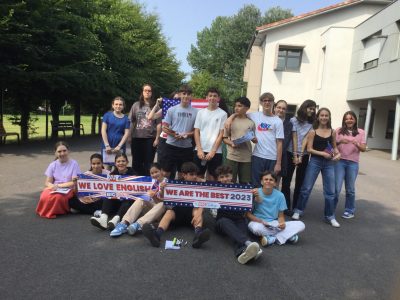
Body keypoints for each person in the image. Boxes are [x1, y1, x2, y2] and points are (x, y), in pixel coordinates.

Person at [292, 108, 341, 227]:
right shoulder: (313, 131)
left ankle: (330, 216)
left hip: (329, 163)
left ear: (329, 117)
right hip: (315, 161)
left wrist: (338, 154)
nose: (324, 117)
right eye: (322, 115)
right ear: (318, 117)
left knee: (330, 191)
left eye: (326, 115)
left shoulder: (333, 131)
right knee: (306, 188)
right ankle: (298, 210)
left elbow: (334, 147)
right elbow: (309, 149)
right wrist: (322, 153)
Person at [142, 162, 210, 248]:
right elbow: (164, 199)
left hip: (191, 215)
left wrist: (200, 213)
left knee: (197, 210)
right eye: (191, 174)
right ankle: (157, 235)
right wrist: (163, 189)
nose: (195, 176)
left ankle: (198, 235)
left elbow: (203, 201)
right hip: (177, 213)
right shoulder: (175, 183)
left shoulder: (199, 185)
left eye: (196, 174)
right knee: (169, 212)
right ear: (184, 175)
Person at [214, 165, 262, 264]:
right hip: (222, 222)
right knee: (225, 222)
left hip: (239, 219)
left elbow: (257, 201)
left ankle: (242, 253)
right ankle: (248, 243)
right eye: (221, 177)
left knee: (239, 233)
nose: (224, 179)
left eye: (227, 176)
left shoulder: (242, 189)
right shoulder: (215, 188)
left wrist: (255, 195)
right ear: (218, 178)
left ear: (231, 176)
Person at [247, 171, 305, 246]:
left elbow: (281, 216)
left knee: (301, 224)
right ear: (261, 182)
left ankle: (272, 238)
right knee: (255, 228)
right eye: (266, 179)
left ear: (275, 183)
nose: (268, 181)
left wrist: (282, 224)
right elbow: (247, 214)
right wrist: (261, 221)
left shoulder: (280, 195)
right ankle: (286, 236)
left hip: (273, 223)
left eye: (271, 180)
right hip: (258, 222)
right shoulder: (255, 192)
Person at [110, 163, 167, 237]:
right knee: (142, 198)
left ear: (161, 171)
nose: (154, 175)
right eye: (152, 173)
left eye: (156, 172)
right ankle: (124, 223)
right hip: (150, 211)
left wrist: (160, 192)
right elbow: (151, 199)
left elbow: (166, 203)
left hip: (160, 213)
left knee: (162, 204)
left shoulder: (167, 183)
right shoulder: (152, 182)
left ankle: (138, 224)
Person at [281, 100, 316, 215]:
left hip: (304, 155)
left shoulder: (312, 123)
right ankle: (285, 207)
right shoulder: (293, 120)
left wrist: (300, 155)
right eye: (309, 108)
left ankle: (296, 207)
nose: (311, 110)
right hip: (290, 153)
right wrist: (295, 155)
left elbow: (306, 139)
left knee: (300, 183)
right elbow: (294, 137)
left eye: (313, 108)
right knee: (286, 181)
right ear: (304, 108)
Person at [90, 153, 136, 230]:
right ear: (115, 163)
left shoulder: (134, 174)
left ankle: (116, 220)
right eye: (118, 161)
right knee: (108, 195)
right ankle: (103, 219)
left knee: (128, 199)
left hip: (127, 204)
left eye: (123, 161)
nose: (121, 163)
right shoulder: (112, 175)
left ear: (127, 162)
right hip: (116, 203)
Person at [334, 111, 366, 219]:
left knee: (350, 189)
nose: (349, 120)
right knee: (336, 188)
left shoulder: (361, 132)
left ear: (355, 120)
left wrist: (357, 144)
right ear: (344, 120)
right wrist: (339, 142)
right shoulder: (338, 130)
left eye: (351, 118)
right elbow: (332, 144)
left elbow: (364, 149)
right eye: (347, 119)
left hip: (353, 163)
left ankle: (349, 210)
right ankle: (331, 209)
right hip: (340, 161)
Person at [36, 141, 81, 219]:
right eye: (59, 151)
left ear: (68, 151)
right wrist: (52, 186)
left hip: (68, 189)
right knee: (44, 195)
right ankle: (45, 211)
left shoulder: (74, 164)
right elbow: (47, 182)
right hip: (55, 188)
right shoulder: (52, 165)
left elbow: (74, 182)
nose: (62, 153)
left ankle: (58, 211)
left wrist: (58, 186)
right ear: (55, 153)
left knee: (58, 197)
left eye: (64, 151)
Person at [162, 84, 197, 179]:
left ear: (191, 96)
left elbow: (196, 131)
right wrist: (173, 134)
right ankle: (164, 192)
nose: (186, 96)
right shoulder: (172, 110)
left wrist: (187, 134)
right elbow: (164, 127)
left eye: (188, 94)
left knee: (183, 175)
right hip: (171, 145)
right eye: (184, 93)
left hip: (186, 148)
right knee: (165, 173)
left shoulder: (196, 112)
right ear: (180, 95)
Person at [249, 92, 284, 187]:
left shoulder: (278, 121)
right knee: (255, 185)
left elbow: (280, 143)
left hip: (272, 158)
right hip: (257, 156)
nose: (267, 103)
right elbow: (240, 115)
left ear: (273, 103)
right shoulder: (254, 115)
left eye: (270, 101)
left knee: (268, 186)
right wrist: (230, 118)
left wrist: (278, 163)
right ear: (261, 103)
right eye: (265, 100)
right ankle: (255, 202)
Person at [194, 87, 227, 181]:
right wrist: (199, 149)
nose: (212, 98)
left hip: (216, 151)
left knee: (213, 177)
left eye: (215, 96)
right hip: (200, 150)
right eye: (210, 96)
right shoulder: (200, 112)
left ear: (218, 98)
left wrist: (213, 151)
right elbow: (197, 131)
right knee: (198, 177)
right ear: (206, 98)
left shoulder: (223, 114)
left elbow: (221, 134)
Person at [128, 84, 160, 175]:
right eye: (145, 90)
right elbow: (131, 121)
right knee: (136, 162)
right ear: (142, 92)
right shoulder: (136, 105)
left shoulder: (156, 106)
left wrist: (157, 138)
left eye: (149, 91)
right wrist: (129, 136)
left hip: (150, 138)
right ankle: (137, 183)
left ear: (152, 93)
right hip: (137, 138)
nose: (147, 92)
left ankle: (147, 182)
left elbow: (159, 124)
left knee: (148, 163)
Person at [223, 97, 256, 184]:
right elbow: (224, 138)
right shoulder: (229, 121)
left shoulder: (251, 122)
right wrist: (231, 143)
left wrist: (254, 139)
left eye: (239, 106)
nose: (236, 108)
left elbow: (254, 140)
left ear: (247, 108)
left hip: (246, 158)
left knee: (244, 182)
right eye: (235, 106)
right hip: (232, 156)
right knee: (230, 182)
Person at [101, 96, 130, 168]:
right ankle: (107, 179)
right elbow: (103, 130)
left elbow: (126, 133)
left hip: (120, 144)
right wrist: (107, 145)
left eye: (120, 104)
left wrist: (119, 146)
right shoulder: (107, 115)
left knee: (119, 165)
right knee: (108, 166)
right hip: (108, 143)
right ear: (113, 105)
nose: (118, 106)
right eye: (116, 104)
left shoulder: (126, 118)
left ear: (123, 106)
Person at [273, 100, 293, 187]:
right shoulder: (268, 120)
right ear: (274, 108)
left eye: (283, 109)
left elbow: (285, 143)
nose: (281, 110)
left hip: (280, 156)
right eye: (279, 107)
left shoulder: (288, 124)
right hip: (265, 154)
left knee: (275, 184)